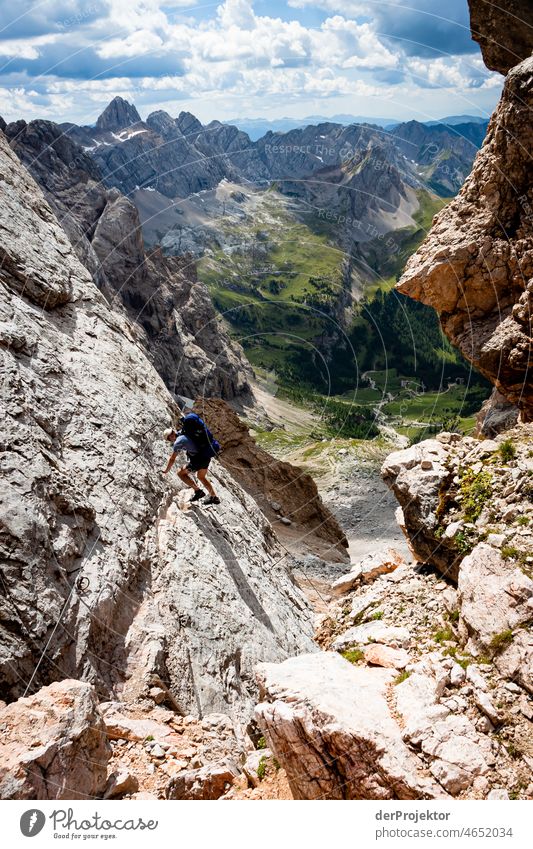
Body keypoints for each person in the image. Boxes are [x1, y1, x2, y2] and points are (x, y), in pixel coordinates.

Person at [162, 420, 220, 505]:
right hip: (205, 457)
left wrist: (166, 470)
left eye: (169, 439)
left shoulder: (178, 442)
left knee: (180, 474)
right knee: (201, 477)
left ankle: (198, 491)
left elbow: (172, 458)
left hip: (197, 460)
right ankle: (214, 497)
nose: (171, 441)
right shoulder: (183, 431)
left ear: (170, 437)